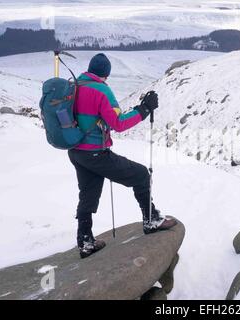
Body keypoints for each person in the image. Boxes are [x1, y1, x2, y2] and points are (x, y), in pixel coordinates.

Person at [68, 53, 177, 259]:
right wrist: (143, 110)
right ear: (106, 74)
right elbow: (118, 124)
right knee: (141, 175)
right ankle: (151, 219)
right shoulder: (101, 90)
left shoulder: (75, 85)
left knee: (88, 193)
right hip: (95, 154)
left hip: (76, 152)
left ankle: (85, 241)